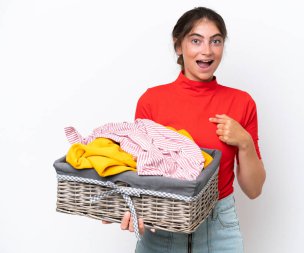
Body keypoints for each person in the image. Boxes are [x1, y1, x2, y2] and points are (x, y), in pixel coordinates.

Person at [105, 6, 266, 252]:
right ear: (179, 46)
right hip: (162, 226)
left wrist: (244, 141)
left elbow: (253, 190)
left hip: (219, 228)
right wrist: (126, 208)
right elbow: (138, 173)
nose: (207, 50)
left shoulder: (241, 102)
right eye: (196, 40)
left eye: (216, 41)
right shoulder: (152, 101)